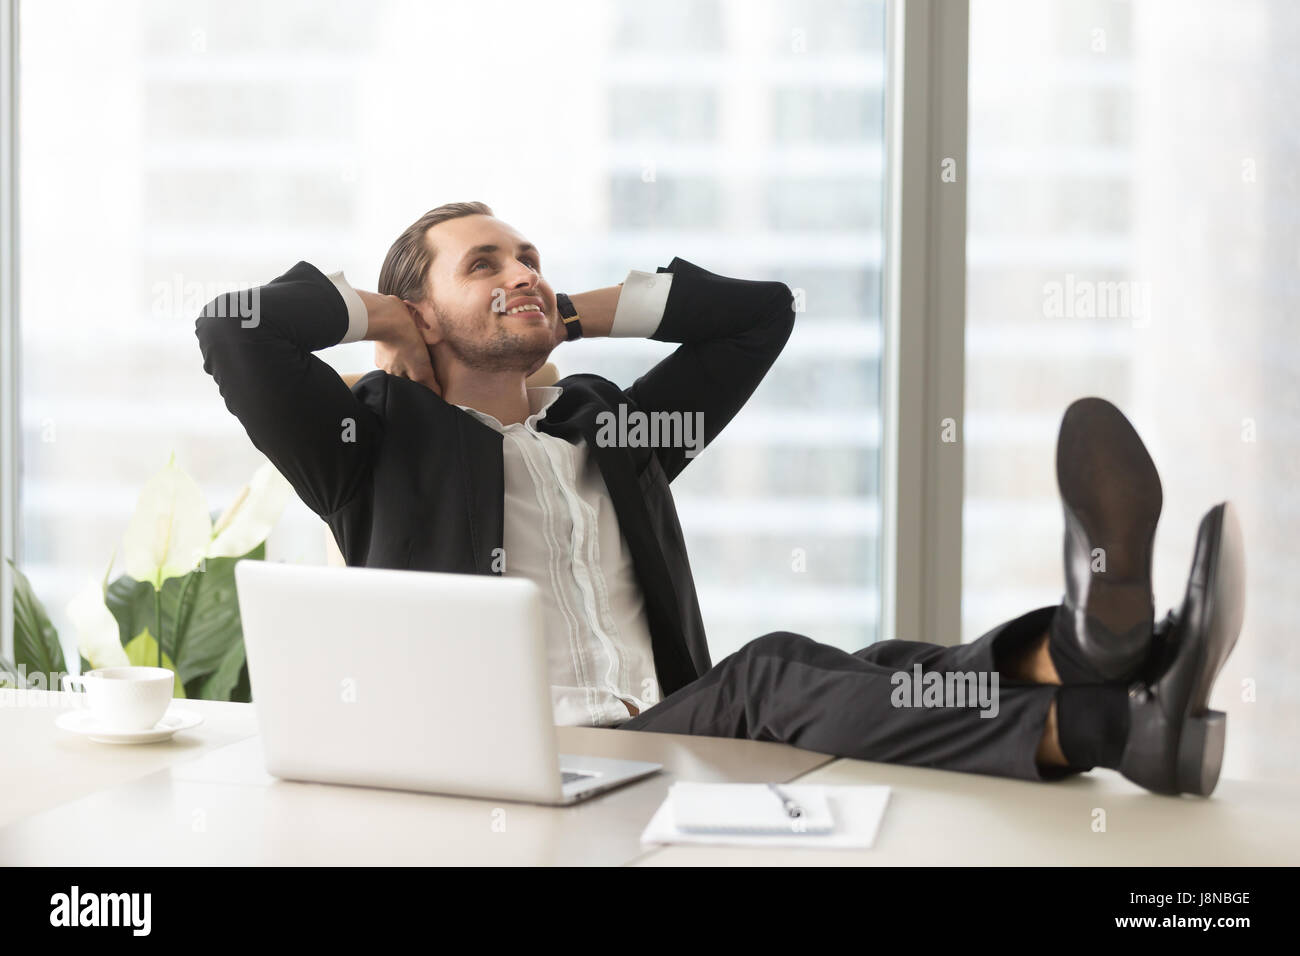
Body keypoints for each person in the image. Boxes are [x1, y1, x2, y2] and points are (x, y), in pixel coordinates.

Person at [195, 200, 1244, 798]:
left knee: (873, 668)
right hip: (514, 762)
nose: (520, 270)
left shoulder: (610, 430)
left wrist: (566, 308)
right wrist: (384, 313)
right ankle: (1111, 698)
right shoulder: (367, 442)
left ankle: (1106, 679)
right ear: (424, 306)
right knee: (770, 673)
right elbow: (233, 328)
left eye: (530, 255)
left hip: (651, 735)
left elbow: (758, 318)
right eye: (486, 263)